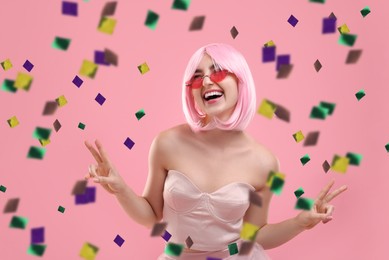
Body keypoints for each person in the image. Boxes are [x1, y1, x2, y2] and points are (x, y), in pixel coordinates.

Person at [84, 43, 347, 259]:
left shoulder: (265, 162)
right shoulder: (166, 143)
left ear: (240, 81)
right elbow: (152, 216)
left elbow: (254, 235)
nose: (207, 80)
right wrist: (120, 189)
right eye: (197, 76)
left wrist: (301, 222)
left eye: (218, 71)